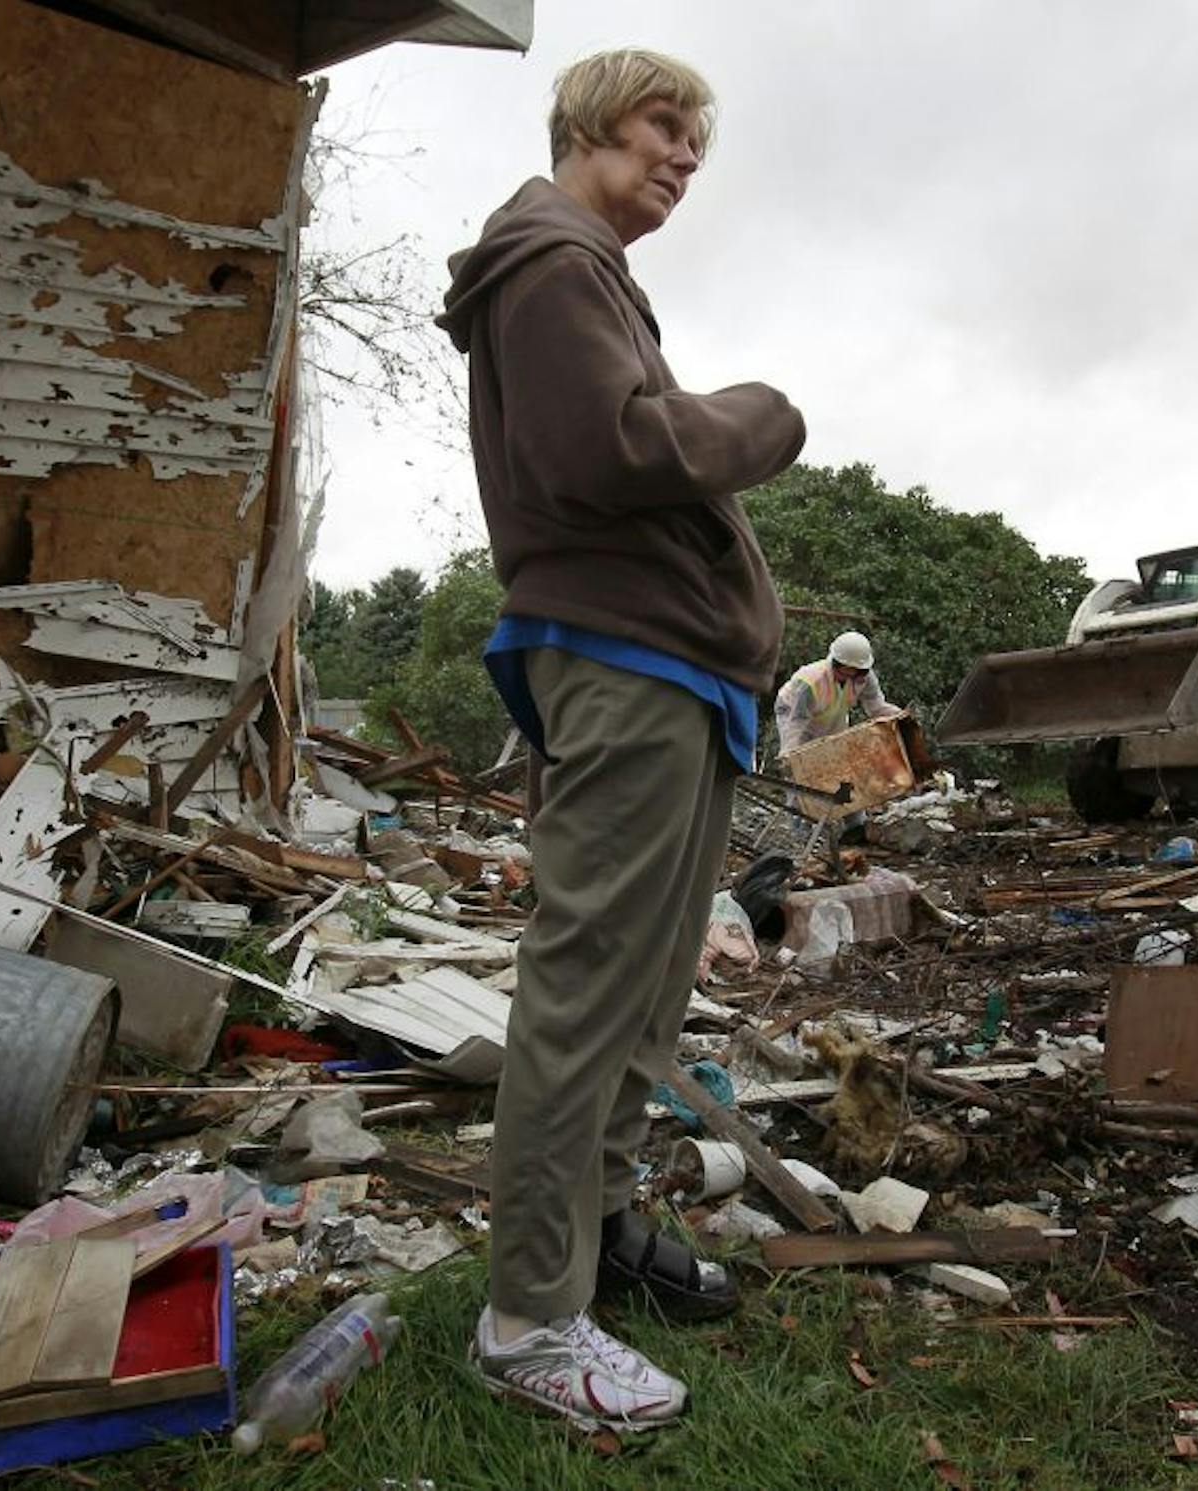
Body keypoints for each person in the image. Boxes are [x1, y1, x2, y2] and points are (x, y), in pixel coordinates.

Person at [436, 49, 805, 1433]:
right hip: (628, 658)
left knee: (644, 995)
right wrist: (765, 414)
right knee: (589, 990)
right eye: (663, 128)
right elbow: (610, 448)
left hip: (678, 670)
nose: (682, 158)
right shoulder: (547, 261)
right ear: (591, 123)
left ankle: (593, 1242)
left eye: (696, 144)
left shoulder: (583, 269)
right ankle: (531, 1315)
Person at [775, 631, 899, 756]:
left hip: (830, 711)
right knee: (801, 752)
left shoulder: (865, 677)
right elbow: (797, 722)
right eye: (845, 672)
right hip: (792, 709)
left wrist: (900, 716)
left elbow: (877, 707)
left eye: (854, 673)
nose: (848, 677)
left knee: (835, 751)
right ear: (835, 663)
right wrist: (789, 755)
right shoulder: (811, 682)